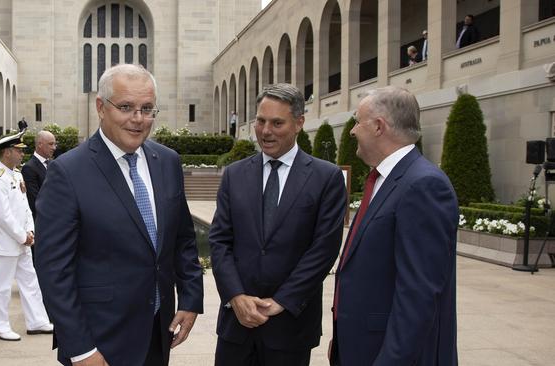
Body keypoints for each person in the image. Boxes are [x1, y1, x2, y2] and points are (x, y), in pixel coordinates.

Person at [34, 64, 204, 366]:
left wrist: (191, 299)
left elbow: (183, 240)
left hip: (157, 331)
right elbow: (53, 270)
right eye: (126, 107)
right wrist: (81, 349)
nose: (138, 119)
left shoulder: (167, 161)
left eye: (147, 108)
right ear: (101, 107)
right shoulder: (68, 172)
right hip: (99, 341)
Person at [209, 83, 346, 366]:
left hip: (290, 327)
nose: (265, 131)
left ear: (299, 123)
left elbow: (324, 249)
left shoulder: (326, 178)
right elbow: (220, 241)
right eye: (260, 121)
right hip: (237, 326)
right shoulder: (235, 175)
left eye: (277, 123)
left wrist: (281, 301)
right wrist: (235, 296)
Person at [328, 86, 459, 365]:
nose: (352, 131)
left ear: (378, 126)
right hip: (361, 346)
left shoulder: (423, 184)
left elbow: (418, 295)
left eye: (357, 122)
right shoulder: (384, 179)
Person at [0, 131, 53, 341]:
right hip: (7, 243)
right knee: (2, 286)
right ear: (7, 153)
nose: (22, 154)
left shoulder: (16, 174)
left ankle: (37, 321)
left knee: (30, 281)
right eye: (18, 150)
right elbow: (3, 216)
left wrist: (30, 230)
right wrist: (22, 235)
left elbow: (24, 207)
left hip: (23, 240)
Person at [21, 130, 56, 262]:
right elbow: (34, 200)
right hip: (41, 223)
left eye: (54, 144)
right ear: (40, 144)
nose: (54, 147)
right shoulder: (29, 168)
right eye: (51, 144)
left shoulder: (53, 164)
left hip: (54, 222)